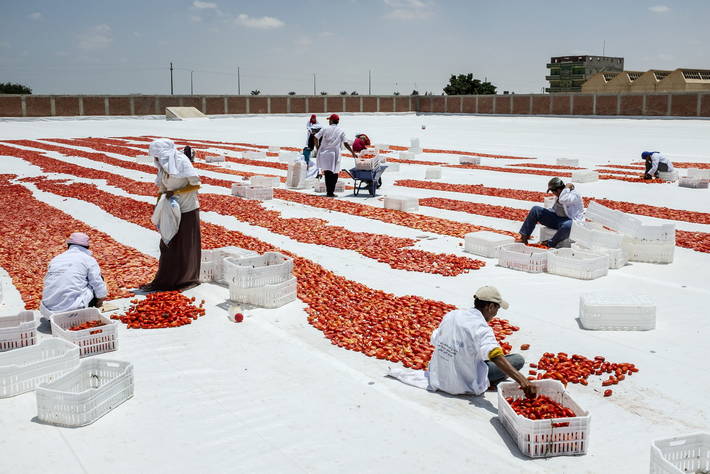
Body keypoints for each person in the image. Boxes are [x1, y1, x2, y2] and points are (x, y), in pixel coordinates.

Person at [427, 286, 535, 398]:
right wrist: (523, 380)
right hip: (464, 383)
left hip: (440, 378)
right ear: (490, 307)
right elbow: (495, 355)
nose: (496, 314)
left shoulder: (452, 315)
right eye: (497, 309)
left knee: (477, 354)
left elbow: (435, 338)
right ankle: (489, 381)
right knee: (517, 360)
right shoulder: (482, 328)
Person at [140, 138, 202, 292]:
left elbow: (196, 184)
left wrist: (176, 192)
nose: (155, 160)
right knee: (168, 244)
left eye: (157, 156)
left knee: (184, 244)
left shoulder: (181, 161)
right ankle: (167, 279)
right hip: (171, 208)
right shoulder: (163, 164)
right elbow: (162, 186)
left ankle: (185, 279)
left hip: (187, 208)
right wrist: (158, 204)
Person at [41, 232, 108, 313]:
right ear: (87, 247)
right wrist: (100, 301)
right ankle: (89, 308)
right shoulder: (88, 259)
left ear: (68, 245)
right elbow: (97, 284)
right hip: (74, 311)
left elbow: (47, 281)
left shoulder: (56, 259)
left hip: (48, 312)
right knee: (98, 279)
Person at [518, 177, 584, 248]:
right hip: (559, 220)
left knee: (569, 225)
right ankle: (524, 236)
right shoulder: (559, 195)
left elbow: (563, 199)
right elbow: (554, 210)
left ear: (558, 190)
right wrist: (545, 213)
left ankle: (550, 243)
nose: (553, 194)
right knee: (536, 209)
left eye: (553, 192)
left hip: (571, 222)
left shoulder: (574, 195)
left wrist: (567, 188)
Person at [314, 114, 357, 197]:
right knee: (335, 173)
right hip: (335, 154)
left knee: (327, 173)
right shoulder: (340, 131)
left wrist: (318, 147)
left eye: (329, 120)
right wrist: (352, 152)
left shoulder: (325, 129)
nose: (329, 121)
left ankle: (329, 192)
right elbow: (346, 143)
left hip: (325, 153)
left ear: (331, 121)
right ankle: (331, 192)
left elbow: (315, 137)